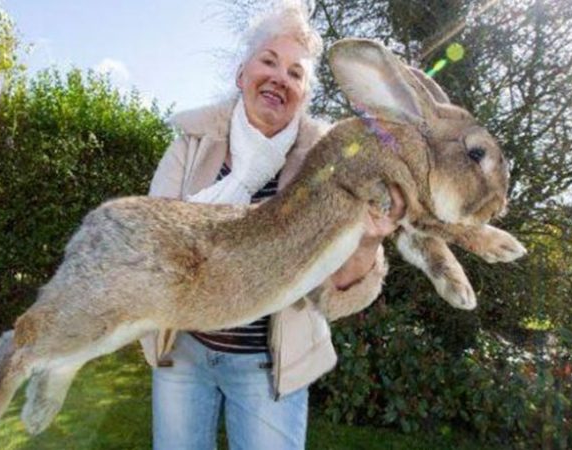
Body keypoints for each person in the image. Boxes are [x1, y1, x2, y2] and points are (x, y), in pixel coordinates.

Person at [141, 3, 405, 449]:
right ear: (242, 73)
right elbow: (152, 243)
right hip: (183, 354)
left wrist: (366, 244)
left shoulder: (328, 166)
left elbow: (331, 292)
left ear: (303, 96)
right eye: (269, 61)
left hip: (268, 367)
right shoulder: (191, 143)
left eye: (296, 73)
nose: (280, 77)